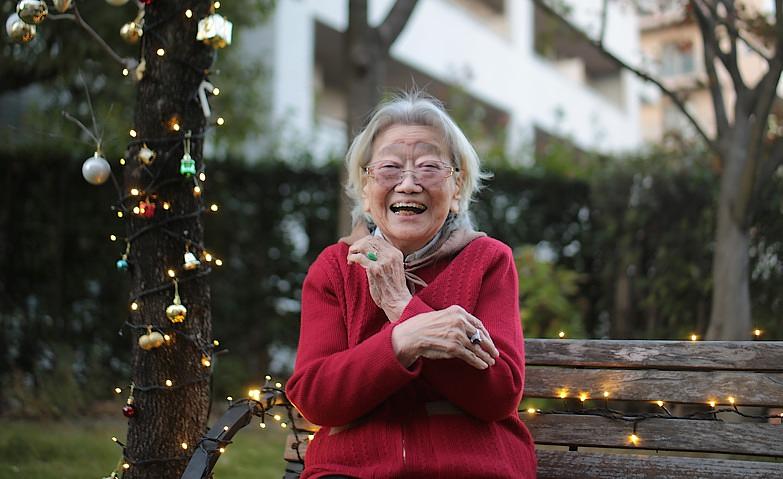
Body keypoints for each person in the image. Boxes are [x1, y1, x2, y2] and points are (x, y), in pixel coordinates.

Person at [286, 92, 536, 478]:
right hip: (354, 471)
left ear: (457, 188)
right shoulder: (335, 268)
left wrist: (403, 307)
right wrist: (402, 341)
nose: (407, 183)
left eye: (429, 167)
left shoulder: (488, 260)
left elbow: (499, 394)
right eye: (389, 168)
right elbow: (315, 398)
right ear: (366, 189)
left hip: (471, 469)